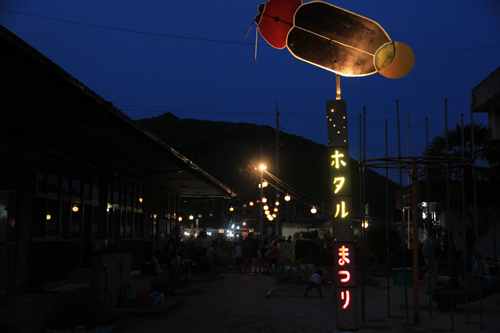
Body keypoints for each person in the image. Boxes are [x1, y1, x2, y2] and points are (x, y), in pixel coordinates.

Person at [422, 230, 438, 294]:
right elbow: (429, 252)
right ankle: (432, 289)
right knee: (433, 274)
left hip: (427, 258)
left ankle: (428, 289)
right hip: (430, 258)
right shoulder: (430, 241)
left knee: (429, 274)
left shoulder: (427, 240)